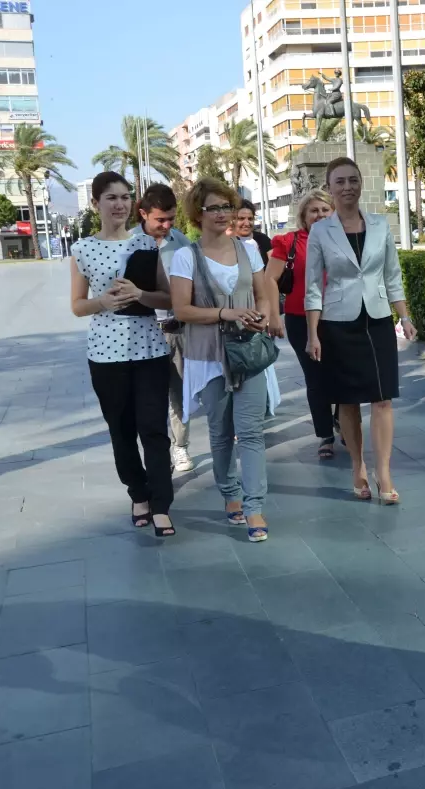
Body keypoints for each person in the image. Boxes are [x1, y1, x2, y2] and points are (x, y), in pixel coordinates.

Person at [169, 177, 280, 542]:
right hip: (209, 355)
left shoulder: (248, 250)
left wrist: (262, 316)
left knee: (250, 432)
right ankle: (229, 492)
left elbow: (263, 295)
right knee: (220, 432)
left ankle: (254, 507)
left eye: (226, 206)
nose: (221, 213)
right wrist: (224, 314)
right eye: (213, 207)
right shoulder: (187, 256)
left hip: (247, 351)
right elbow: (182, 310)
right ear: (198, 214)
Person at [70, 171, 177, 538]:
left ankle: (162, 503)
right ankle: (138, 494)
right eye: (111, 197)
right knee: (122, 430)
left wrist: (140, 295)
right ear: (96, 202)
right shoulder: (82, 249)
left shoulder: (147, 245)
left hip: (149, 349)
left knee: (154, 428)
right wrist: (102, 301)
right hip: (105, 355)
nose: (119, 204)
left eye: (125, 197)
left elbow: (167, 298)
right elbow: (77, 306)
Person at [305, 157, 417, 504]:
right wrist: (312, 333)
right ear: (330, 187)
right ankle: (358, 466)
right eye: (340, 182)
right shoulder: (321, 230)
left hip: (378, 318)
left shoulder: (381, 225)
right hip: (338, 322)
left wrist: (405, 316)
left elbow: (392, 276)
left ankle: (383, 471)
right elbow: (312, 286)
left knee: (382, 398)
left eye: (353, 180)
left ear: (361, 183)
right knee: (348, 400)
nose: (348, 187)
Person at [266, 187, 341, 459]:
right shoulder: (288, 242)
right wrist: (275, 316)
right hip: (300, 319)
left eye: (325, 209)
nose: (320, 215)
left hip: (339, 317)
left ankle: (341, 417)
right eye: (314, 211)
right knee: (315, 378)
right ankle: (325, 435)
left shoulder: (344, 238)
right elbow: (270, 279)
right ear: (304, 216)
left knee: (343, 373)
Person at [130, 183, 195, 473]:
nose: (166, 225)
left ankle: (180, 447)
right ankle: (157, 452)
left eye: (171, 219)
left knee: (179, 392)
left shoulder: (180, 241)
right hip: (142, 330)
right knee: (149, 397)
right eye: (160, 220)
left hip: (176, 329)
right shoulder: (127, 242)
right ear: (143, 213)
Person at [231, 199, 273, 265]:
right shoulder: (227, 241)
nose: (247, 223)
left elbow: (274, 265)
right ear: (232, 220)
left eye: (250, 219)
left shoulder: (263, 239)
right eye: (241, 218)